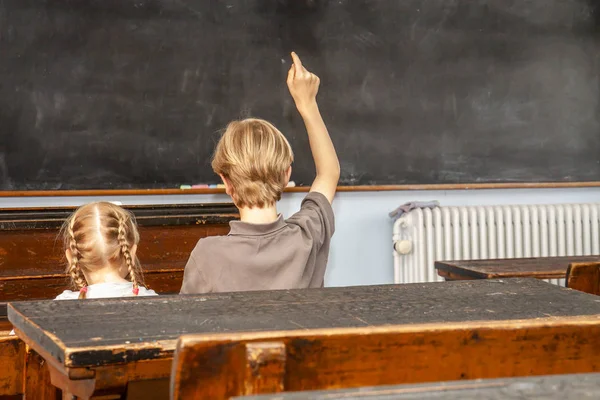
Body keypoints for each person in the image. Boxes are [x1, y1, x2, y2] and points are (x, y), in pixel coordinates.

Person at [180, 52, 340, 294]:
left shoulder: (207, 256)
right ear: (287, 174)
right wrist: (308, 104)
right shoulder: (308, 235)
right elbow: (328, 174)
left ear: (226, 181)